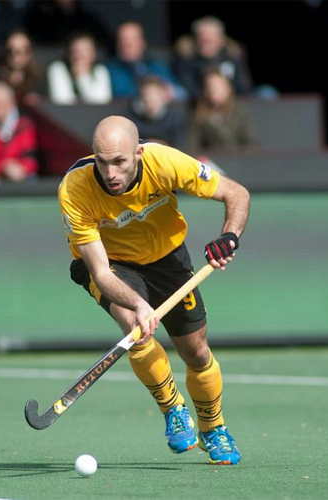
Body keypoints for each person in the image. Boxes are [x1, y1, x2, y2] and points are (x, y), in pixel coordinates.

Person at [57, 115, 250, 465]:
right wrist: (139, 305)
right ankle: (173, 409)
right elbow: (100, 272)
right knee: (135, 325)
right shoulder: (75, 188)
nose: (110, 173)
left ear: (139, 153)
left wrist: (229, 236)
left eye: (120, 162)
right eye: (102, 162)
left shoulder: (166, 162)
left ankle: (213, 427)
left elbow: (236, 193)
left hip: (167, 257)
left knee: (197, 352)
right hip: (110, 263)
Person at [172, 16, 254, 99]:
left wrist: (223, 92)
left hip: (231, 102)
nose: (205, 39)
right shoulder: (186, 57)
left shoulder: (231, 55)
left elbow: (244, 85)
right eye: (202, 36)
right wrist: (211, 92)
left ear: (221, 39)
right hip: (199, 103)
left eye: (211, 37)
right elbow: (186, 87)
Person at [106, 21, 185, 101]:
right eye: (123, 39)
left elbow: (181, 93)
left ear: (142, 43)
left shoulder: (156, 66)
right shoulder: (109, 69)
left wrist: (168, 91)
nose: (127, 44)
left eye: (133, 39)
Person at [187, 70, 258, 152]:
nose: (214, 90)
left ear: (228, 88)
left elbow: (251, 143)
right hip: (209, 161)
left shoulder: (240, 111)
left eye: (219, 86)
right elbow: (192, 144)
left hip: (237, 160)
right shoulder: (197, 112)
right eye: (210, 86)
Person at [47, 32, 111, 105]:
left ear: (93, 54)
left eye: (85, 50)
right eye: (76, 51)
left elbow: (101, 101)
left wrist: (82, 77)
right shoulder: (58, 68)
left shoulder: (100, 70)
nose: (81, 55)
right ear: (69, 54)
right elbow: (61, 100)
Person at [127, 75, 185, 148]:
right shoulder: (131, 119)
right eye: (147, 95)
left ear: (164, 96)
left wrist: (162, 146)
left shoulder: (175, 119)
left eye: (155, 95)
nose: (151, 99)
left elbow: (180, 147)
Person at [0, 30, 43, 105]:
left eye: (19, 52)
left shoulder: (41, 78)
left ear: (29, 53)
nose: (14, 56)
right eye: (9, 51)